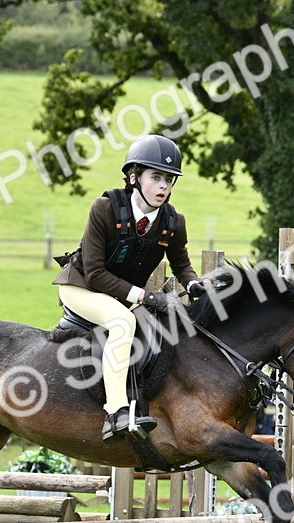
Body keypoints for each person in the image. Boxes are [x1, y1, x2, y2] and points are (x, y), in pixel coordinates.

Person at [52, 134, 204, 441]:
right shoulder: (104, 209)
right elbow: (94, 274)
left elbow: (181, 264)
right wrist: (147, 297)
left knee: (167, 325)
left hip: (123, 294)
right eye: (156, 177)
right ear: (133, 177)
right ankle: (116, 413)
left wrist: (194, 284)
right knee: (124, 322)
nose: (164, 186)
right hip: (81, 288)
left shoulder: (173, 222)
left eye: (170, 180)